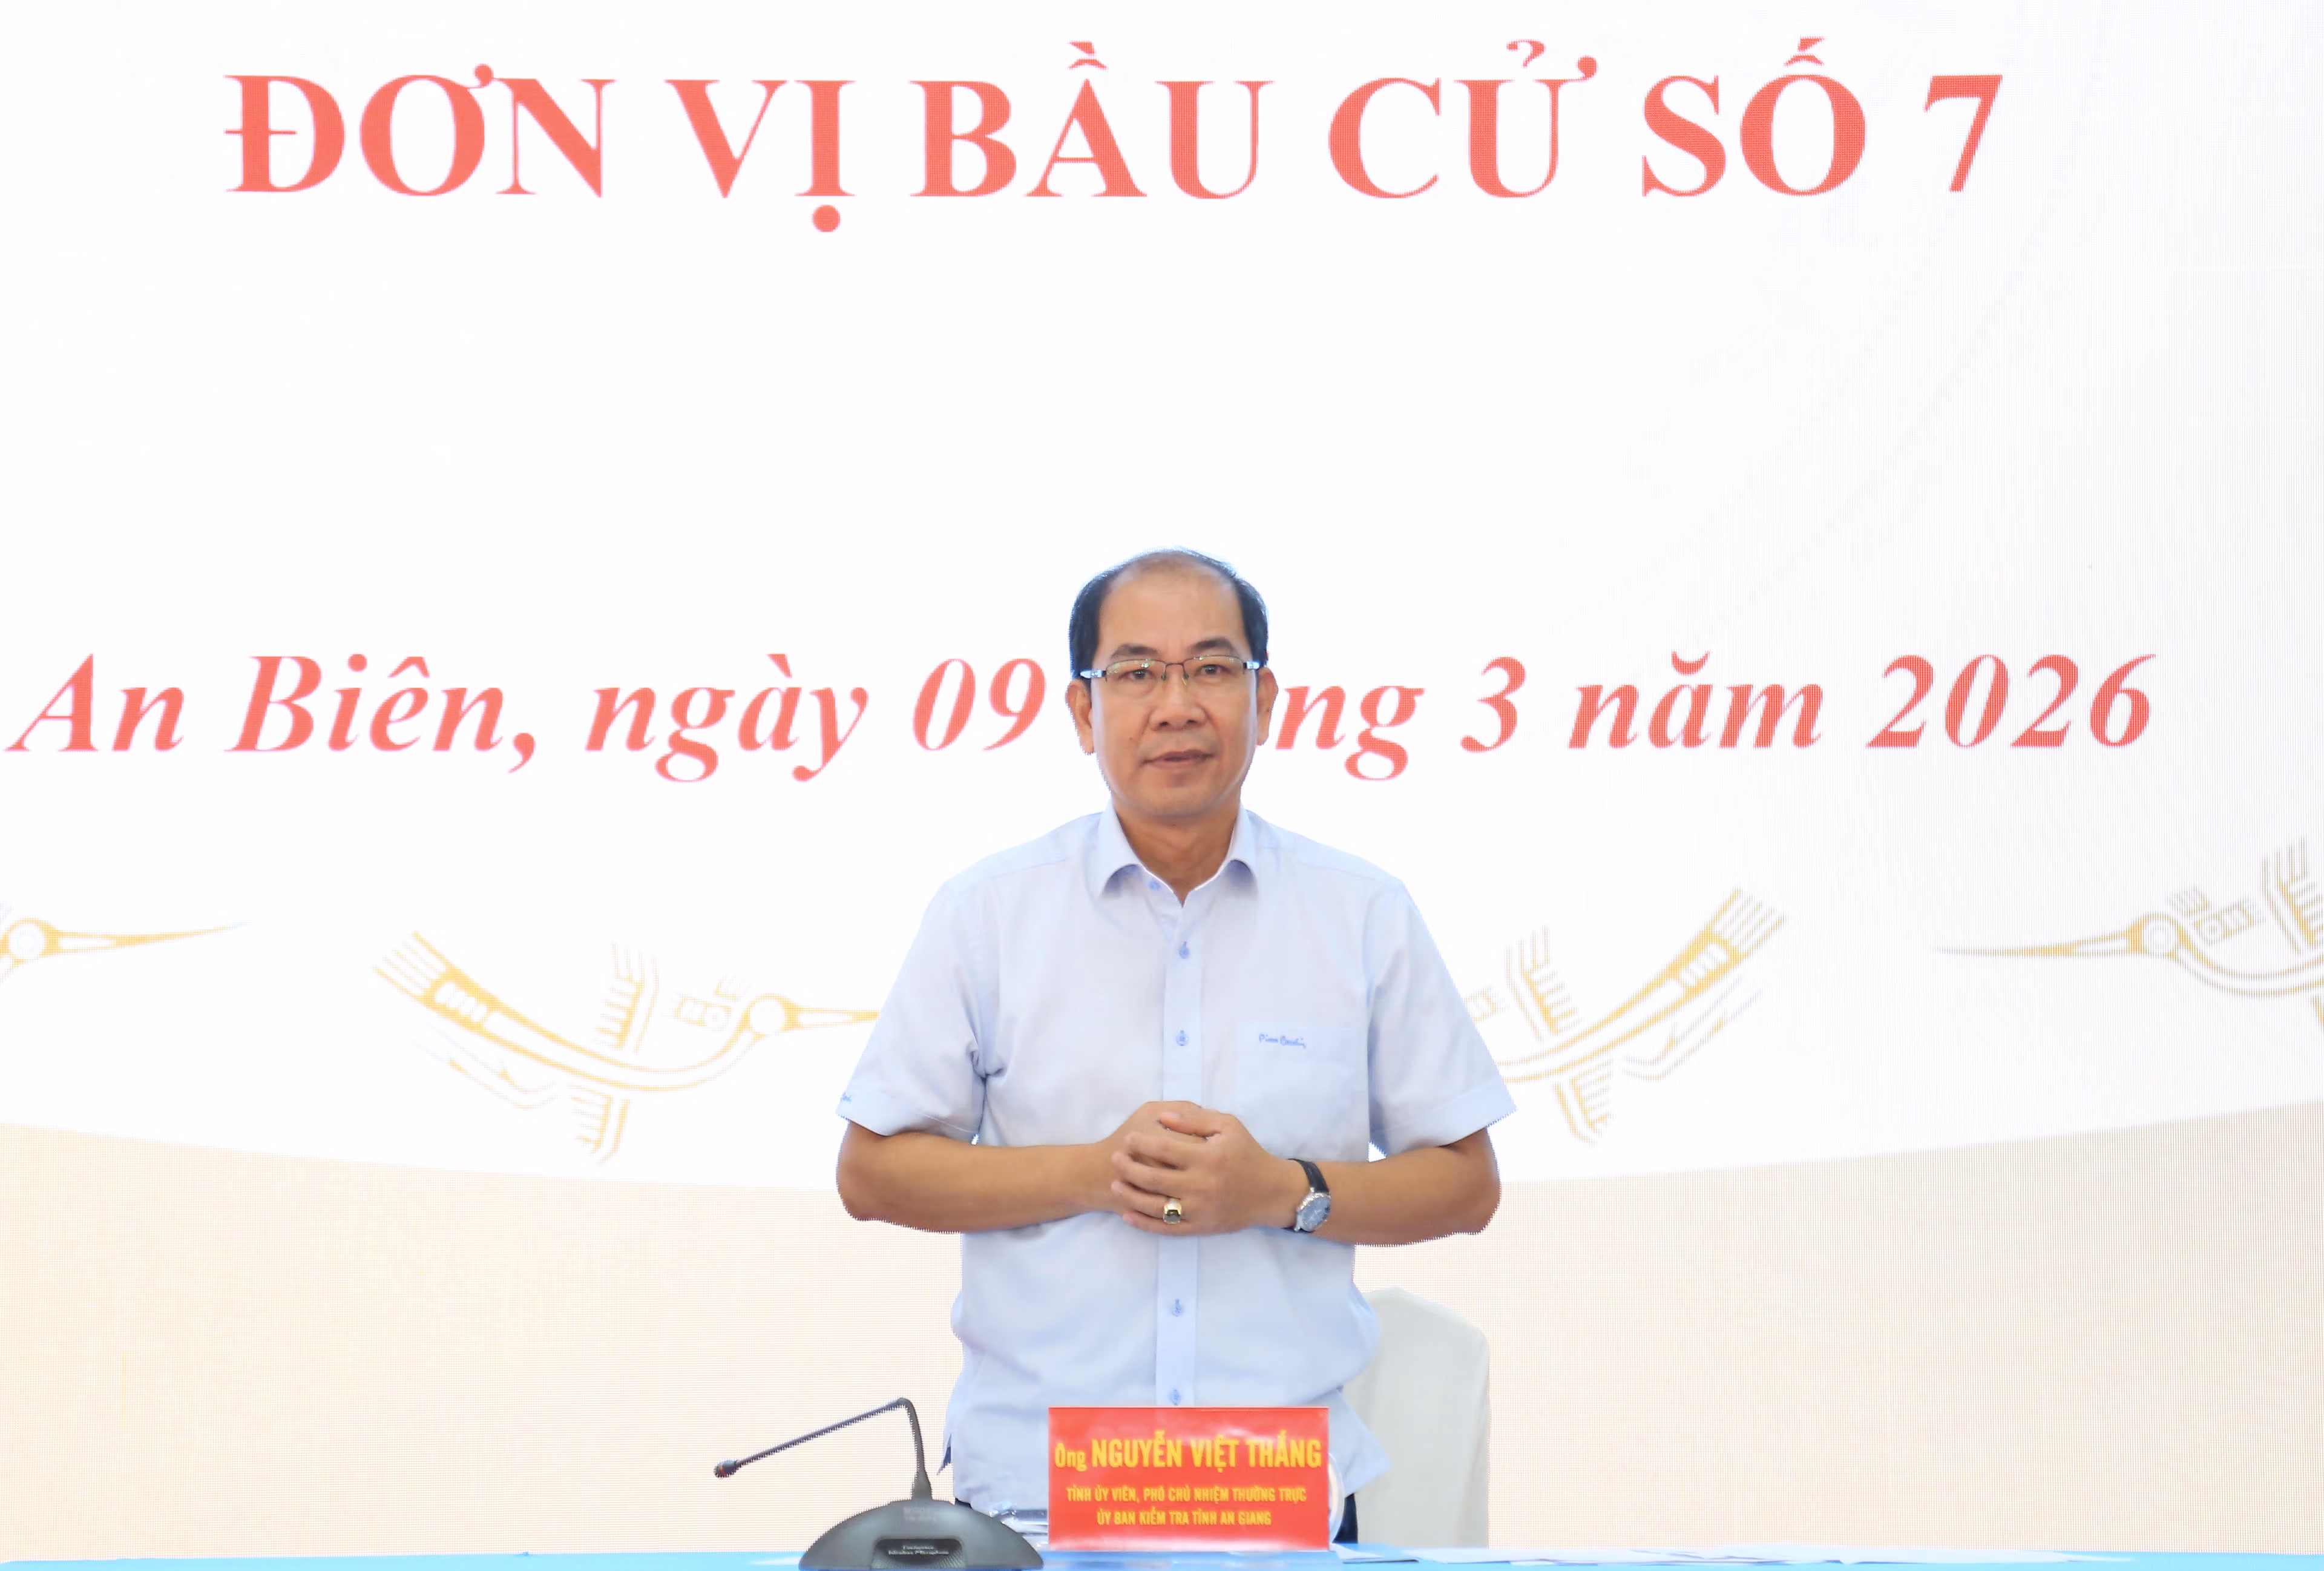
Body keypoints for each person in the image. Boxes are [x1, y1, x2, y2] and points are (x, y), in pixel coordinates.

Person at [834, 549, 1513, 1538]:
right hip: (1039, 1496)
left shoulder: (1360, 913)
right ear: (1083, 711)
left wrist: (1278, 1191)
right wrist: (1096, 1172)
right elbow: (872, 1171)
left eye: (1211, 668)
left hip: (1276, 1500)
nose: (1177, 705)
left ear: (1265, 698)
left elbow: (1465, 1182)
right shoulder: (988, 913)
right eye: (1137, 672)